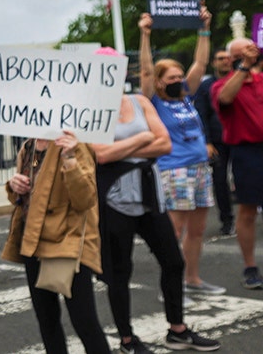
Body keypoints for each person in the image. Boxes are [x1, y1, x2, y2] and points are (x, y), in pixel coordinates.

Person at [91, 52, 220, 354]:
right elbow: (101, 155)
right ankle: (127, 339)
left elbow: (165, 143)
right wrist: (143, 139)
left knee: (173, 262)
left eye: (117, 68)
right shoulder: (90, 111)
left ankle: (177, 330)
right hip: (113, 198)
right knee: (119, 272)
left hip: (150, 195)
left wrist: (125, 146)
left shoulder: (140, 102)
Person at [137, 8, 225, 297]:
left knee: (198, 231)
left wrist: (204, 28)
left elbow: (200, 62)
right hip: (174, 170)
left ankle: (192, 280)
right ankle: (171, 285)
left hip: (200, 168)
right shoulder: (155, 102)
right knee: (173, 232)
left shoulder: (186, 97)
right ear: (161, 82)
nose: (178, 80)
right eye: (172, 77)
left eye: (179, 75)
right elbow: (147, 70)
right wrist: (145, 34)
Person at [3, 130, 107, 354]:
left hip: (66, 241)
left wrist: (69, 158)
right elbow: (24, 197)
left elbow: (86, 198)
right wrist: (14, 185)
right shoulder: (29, 146)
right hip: (32, 241)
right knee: (47, 320)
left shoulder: (74, 143)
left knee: (84, 321)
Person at [212, 37, 263, 289]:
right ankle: (250, 266)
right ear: (233, 58)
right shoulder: (222, 85)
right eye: (243, 51)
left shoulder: (261, 81)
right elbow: (226, 99)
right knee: (248, 211)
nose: (250, 53)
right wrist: (243, 67)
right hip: (247, 152)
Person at [193, 47, 234, 235]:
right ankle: (227, 219)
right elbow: (201, 114)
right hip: (217, 140)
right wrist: (207, 142)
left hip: (239, 138)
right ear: (214, 62)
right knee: (219, 180)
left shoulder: (239, 79)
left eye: (228, 58)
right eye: (220, 58)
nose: (225, 61)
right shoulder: (206, 86)